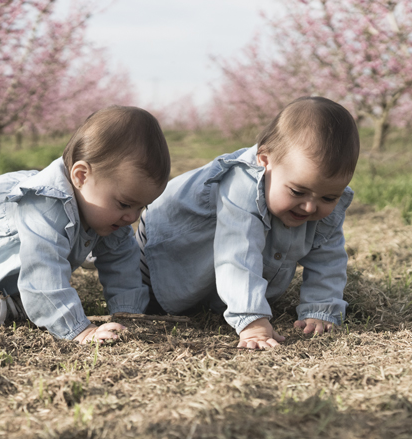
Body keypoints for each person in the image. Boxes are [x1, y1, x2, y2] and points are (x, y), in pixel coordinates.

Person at [0, 106, 170, 344]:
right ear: (81, 175)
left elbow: (123, 264)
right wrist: (79, 330)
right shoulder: (45, 204)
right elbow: (43, 268)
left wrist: (128, 316)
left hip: (4, 276)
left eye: (140, 207)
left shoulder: (108, 217)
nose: (131, 217)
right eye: (124, 204)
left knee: (37, 301)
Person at [137, 96, 359, 350]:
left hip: (207, 251)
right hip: (166, 239)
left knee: (208, 292)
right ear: (265, 161)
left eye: (329, 197)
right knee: (152, 297)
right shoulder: (241, 185)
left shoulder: (316, 196)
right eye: (297, 192)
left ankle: (218, 296)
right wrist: (251, 320)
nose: (310, 206)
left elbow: (328, 257)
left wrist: (321, 309)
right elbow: (237, 254)